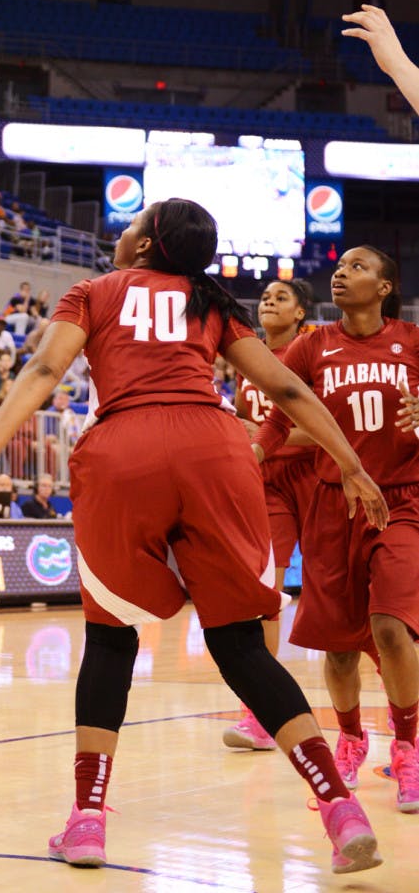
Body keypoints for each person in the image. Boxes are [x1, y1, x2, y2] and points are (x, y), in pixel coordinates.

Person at [0, 197, 389, 875]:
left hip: (125, 450)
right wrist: (351, 464)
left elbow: (42, 372)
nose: (119, 233)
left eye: (130, 225)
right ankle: (339, 807)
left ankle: (87, 821)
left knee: (109, 637)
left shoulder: (92, 290)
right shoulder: (209, 301)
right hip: (214, 451)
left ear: (147, 245)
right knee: (240, 644)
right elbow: (287, 390)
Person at [254, 246, 419, 812]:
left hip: (402, 498)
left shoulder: (413, 342)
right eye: (341, 266)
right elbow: (281, 410)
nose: (343, 273)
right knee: (339, 646)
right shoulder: (314, 344)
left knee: (391, 627)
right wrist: (251, 452)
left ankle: (408, 747)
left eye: (359, 267)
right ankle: (350, 738)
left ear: (386, 286)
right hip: (332, 503)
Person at [223, 279, 318, 752]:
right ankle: (260, 716)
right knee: (266, 592)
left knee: (347, 599)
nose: (268, 302)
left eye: (281, 298)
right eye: (265, 297)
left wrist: (264, 435)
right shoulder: (249, 358)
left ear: (301, 313)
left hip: (319, 481)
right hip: (270, 487)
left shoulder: (313, 353)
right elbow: (248, 428)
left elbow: (324, 430)